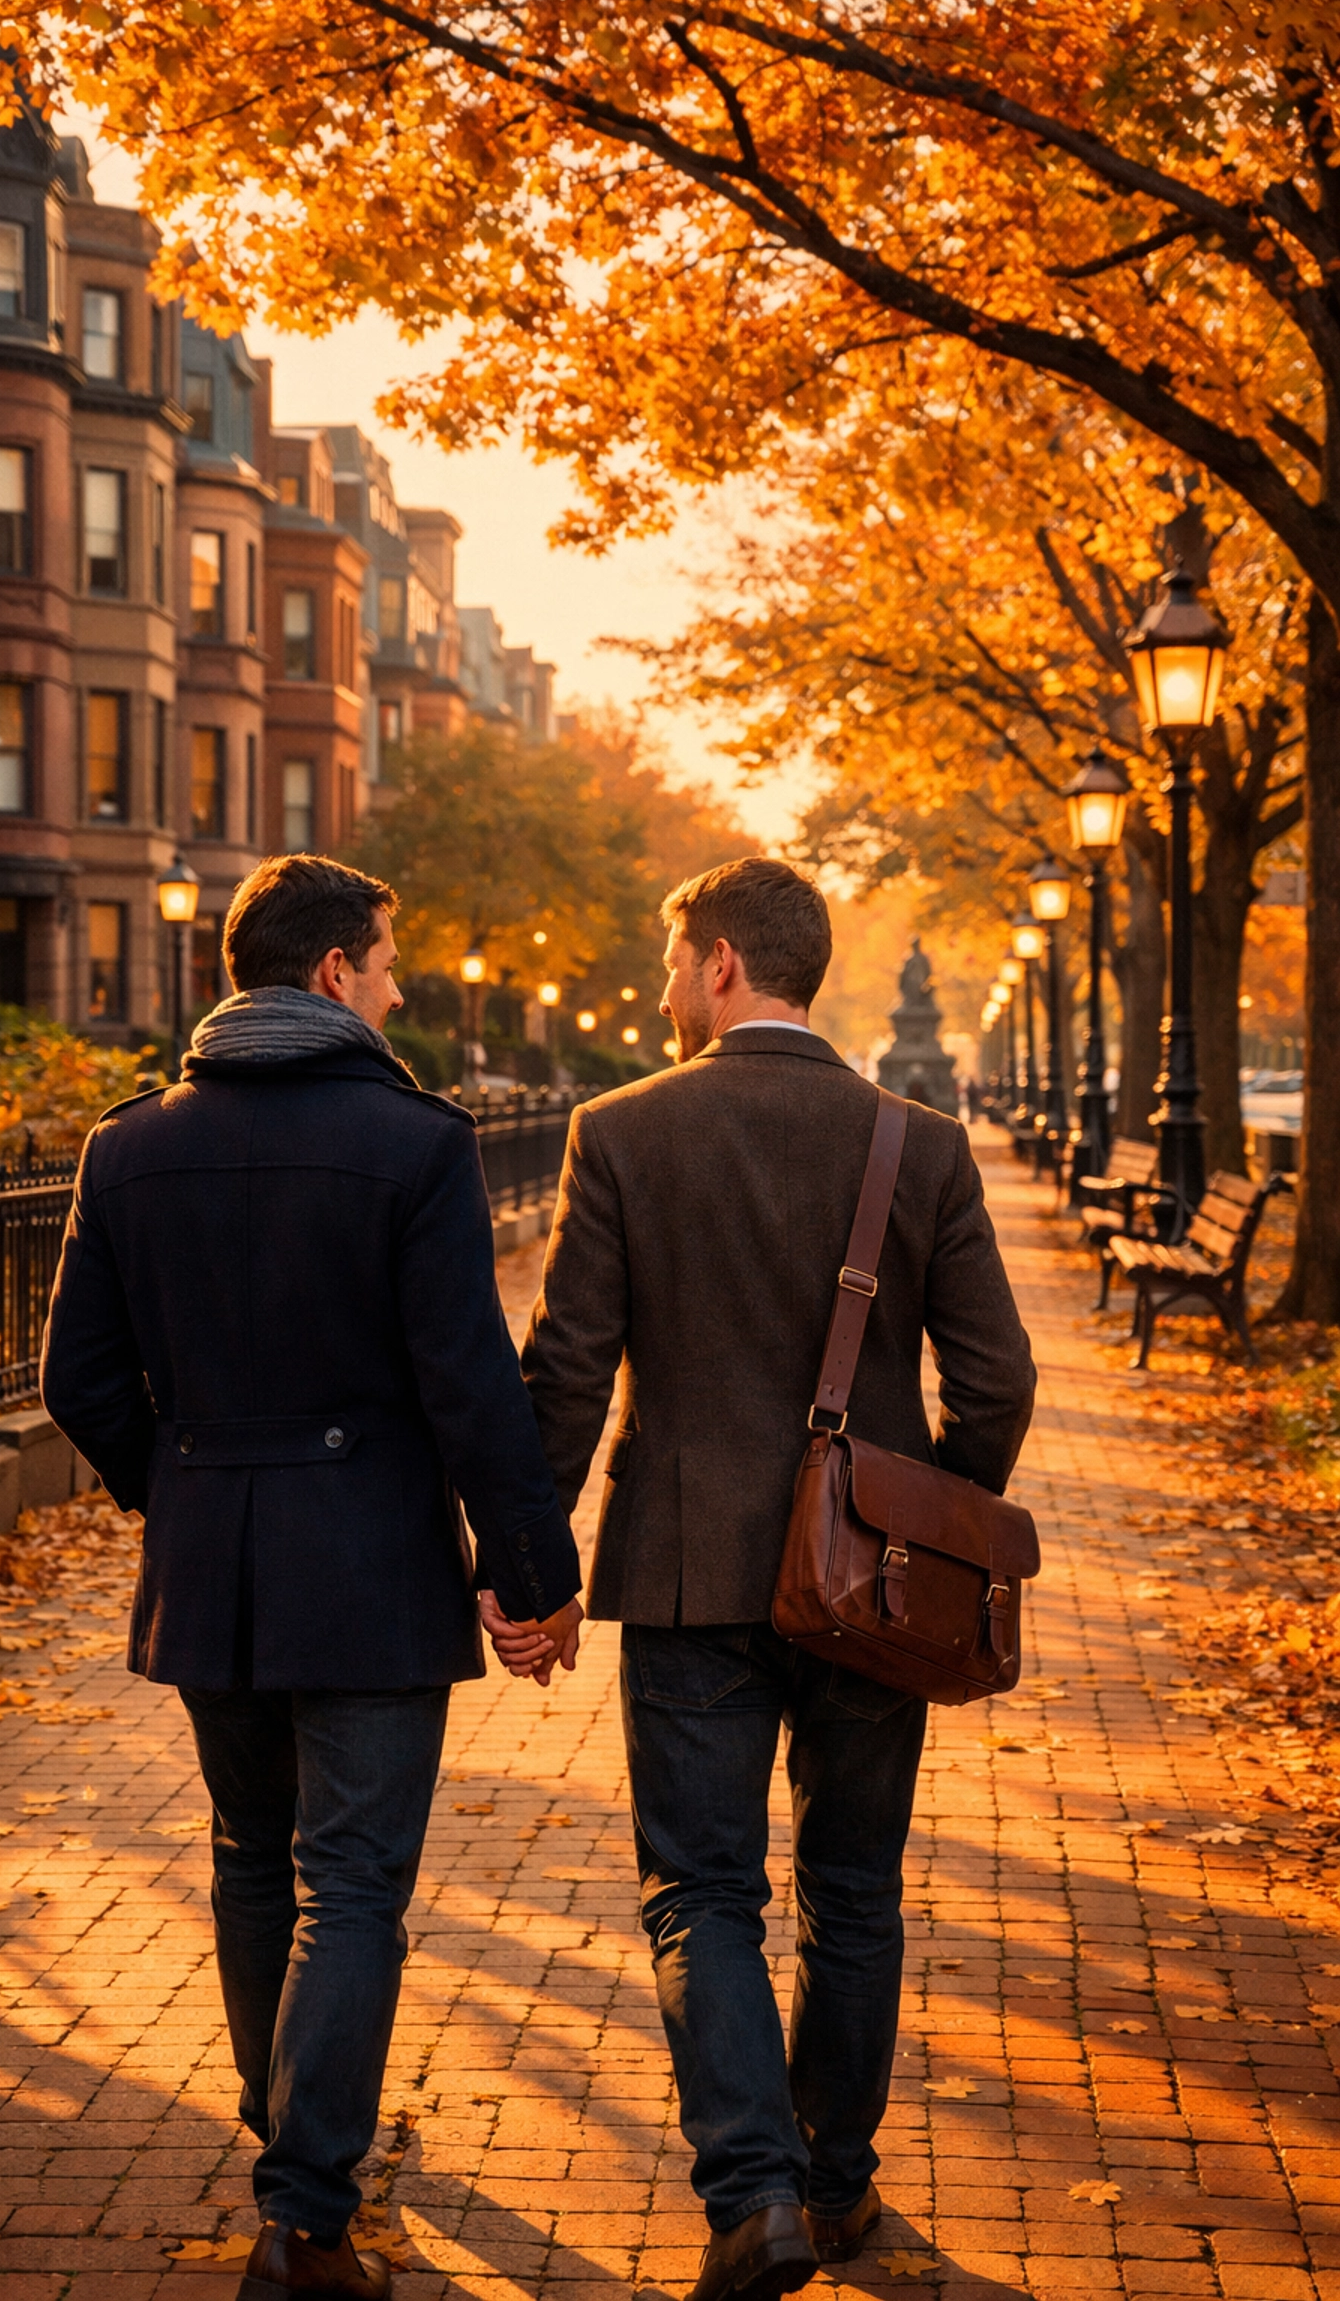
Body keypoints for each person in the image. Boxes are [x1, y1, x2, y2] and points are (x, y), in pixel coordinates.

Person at [41, 854, 583, 2301]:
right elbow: (471, 1385)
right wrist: (531, 1573)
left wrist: (184, 1485)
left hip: (214, 1563)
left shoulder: (127, 1148)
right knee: (349, 1885)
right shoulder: (412, 1144)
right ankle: (304, 2210)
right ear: (336, 972)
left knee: (247, 1854)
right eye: (389, 960)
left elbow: (75, 1377)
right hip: (371, 1568)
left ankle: (287, 2131)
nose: (400, 987)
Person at [495, 857, 1034, 2301]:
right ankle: (837, 2185)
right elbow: (998, 1381)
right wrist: (933, 1520)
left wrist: (528, 1572)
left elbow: (569, 1373)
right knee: (854, 1890)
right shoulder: (916, 1145)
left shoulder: (619, 1131)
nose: (669, 990)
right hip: (873, 1586)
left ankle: (752, 2198)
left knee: (703, 1894)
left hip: (686, 1582)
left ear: (724, 962)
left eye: (677, 962)